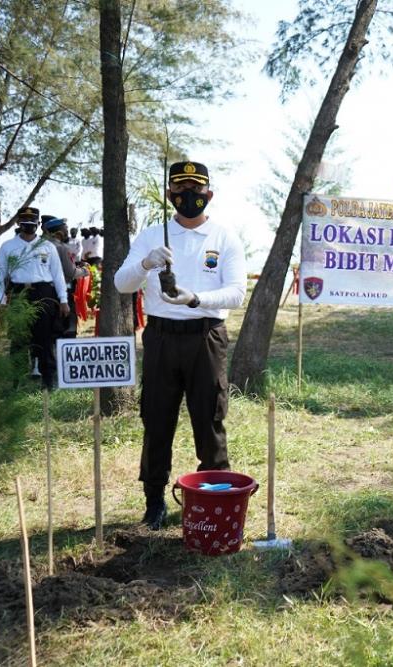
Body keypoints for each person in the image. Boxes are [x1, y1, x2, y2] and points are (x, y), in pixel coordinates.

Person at [114, 161, 247, 530]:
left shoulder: (224, 237)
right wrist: (145, 262)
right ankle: (154, 500)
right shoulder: (152, 235)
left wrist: (195, 298)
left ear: (210, 194)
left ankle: (214, 497)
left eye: (197, 189)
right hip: (161, 337)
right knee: (157, 420)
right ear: (170, 195)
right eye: (181, 189)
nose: (190, 196)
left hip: (206, 335)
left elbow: (236, 293)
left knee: (209, 419)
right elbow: (122, 284)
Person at [0, 206, 69, 389]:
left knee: (44, 338)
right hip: (19, 294)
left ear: (38, 223)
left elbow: (58, 275)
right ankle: (17, 380)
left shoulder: (47, 246)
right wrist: (1, 301)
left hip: (44, 294)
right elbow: (1, 275)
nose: (29, 224)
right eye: (25, 221)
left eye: (32, 221)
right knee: (19, 339)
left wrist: (64, 300)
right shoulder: (8, 246)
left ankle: (47, 379)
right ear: (19, 223)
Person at [42, 215, 88, 339]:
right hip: (63, 294)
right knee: (67, 330)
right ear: (59, 233)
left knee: (48, 331)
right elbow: (71, 273)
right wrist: (84, 271)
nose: (68, 233)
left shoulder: (40, 247)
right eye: (66, 230)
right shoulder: (61, 248)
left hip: (44, 292)